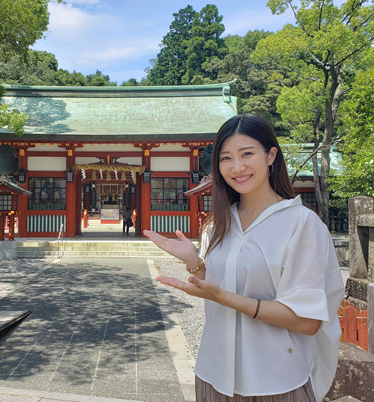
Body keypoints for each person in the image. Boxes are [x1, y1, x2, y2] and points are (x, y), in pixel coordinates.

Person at [144, 114, 344, 402]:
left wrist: (225, 299)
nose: (237, 167)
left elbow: (307, 320)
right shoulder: (217, 225)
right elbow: (219, 286)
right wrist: (195, 263)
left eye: (247, 154)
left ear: (271, 155)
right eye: (226, 158)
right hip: (212, 376)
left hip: (276, 381)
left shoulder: (301, 224)